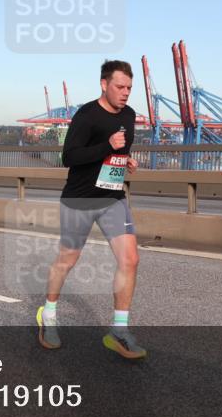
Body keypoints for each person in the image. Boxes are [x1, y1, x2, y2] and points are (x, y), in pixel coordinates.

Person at [37, 60, 144, 360]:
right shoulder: (87, 115)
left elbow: (119, 151)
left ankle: (119, 332)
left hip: (112, 198)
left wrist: (127, 159)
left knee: (131, 259)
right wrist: (107, 146)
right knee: (67, 259)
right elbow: (68, 156)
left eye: (129, 88)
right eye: (120, 87)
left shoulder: (130, 115)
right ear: (104, 84)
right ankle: (48, 315)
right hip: (80, 198)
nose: (125, 93)